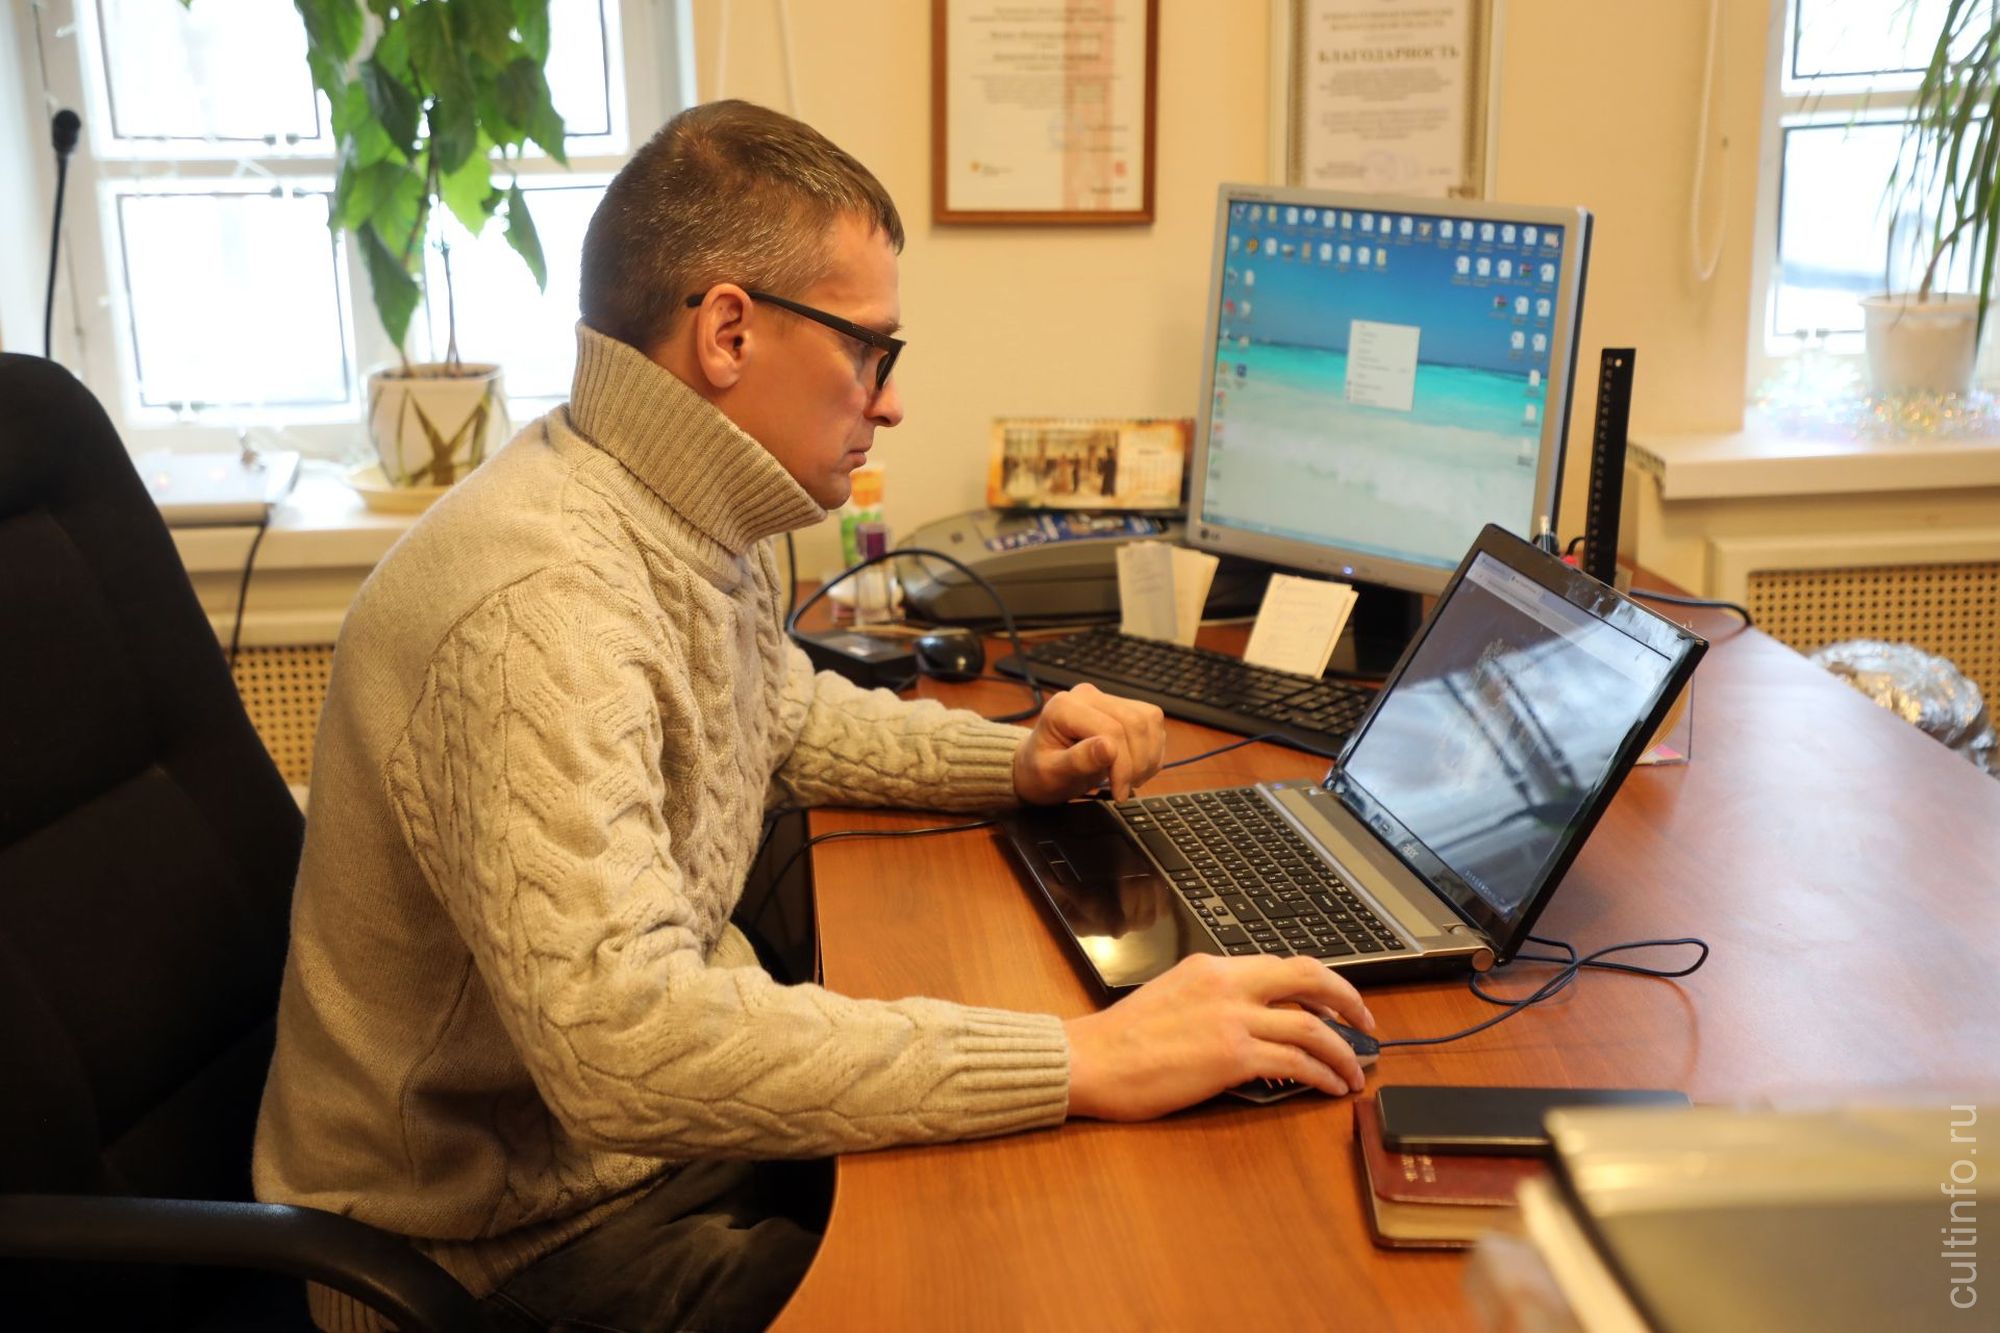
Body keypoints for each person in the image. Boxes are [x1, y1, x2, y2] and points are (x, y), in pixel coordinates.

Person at [254, 99, 1375, 1333]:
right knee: (1024, 1284)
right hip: (486, 1253)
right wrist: (1083, 1057)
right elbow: (623, 1049)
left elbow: (781, 715)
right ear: (728, 332)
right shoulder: (538, 608)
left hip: (630, 1162)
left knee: (1043, 1217)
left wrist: (1018, 763)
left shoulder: (672, 508)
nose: (888, 403)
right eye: (870, 351)